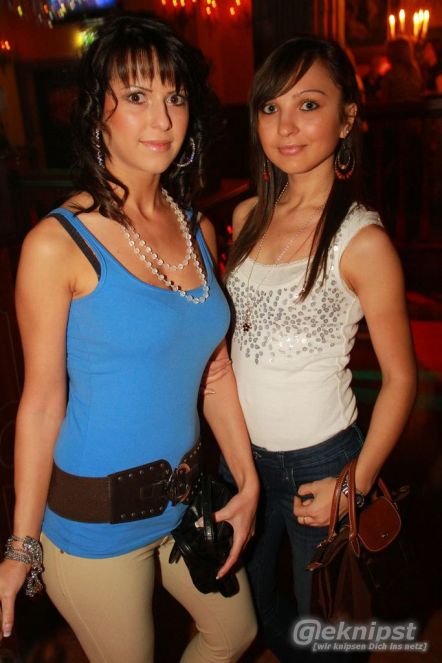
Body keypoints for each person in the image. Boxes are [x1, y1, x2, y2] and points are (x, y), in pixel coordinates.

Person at [0, 14, 259, 663]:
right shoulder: (55, 245)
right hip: (94, 528)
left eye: (175, 96)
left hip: (186, 502)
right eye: (137, 96)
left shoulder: (196, 227)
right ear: (98, 113)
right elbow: (40, 403)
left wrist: (247, 480)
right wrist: (21, 544)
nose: (162, 118)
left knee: (236, 634)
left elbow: (215, 371)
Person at [220, 36, 416, 661]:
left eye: (308, 104)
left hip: (323, 464)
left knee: (330, 632)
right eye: (270, 107)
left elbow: (402, 380)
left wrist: (353, 485)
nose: (286, 126)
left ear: (347, 117)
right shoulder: (247, 216)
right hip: (241, 459)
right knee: (246, 611)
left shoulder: (362, 242)